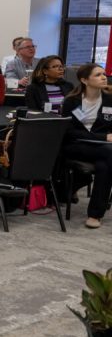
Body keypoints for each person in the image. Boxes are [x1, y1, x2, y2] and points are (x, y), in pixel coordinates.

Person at [61, 64, 112, 229]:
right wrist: (103, 136)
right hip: (76, 145)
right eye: (98, 75)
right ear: (84, 80)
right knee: (109, 154)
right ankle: (95, 209)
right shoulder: (71, 101)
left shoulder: (110, 99)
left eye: (104, 74)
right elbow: (70, 132)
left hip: (104, 148)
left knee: (105, 166)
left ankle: (94, 215)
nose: (104, 77)